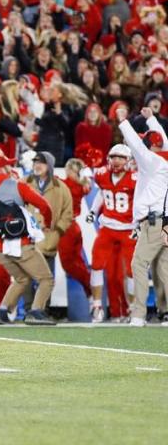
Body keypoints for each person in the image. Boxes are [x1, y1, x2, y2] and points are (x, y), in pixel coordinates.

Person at [0, 152, 57, 325]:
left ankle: (2, 312)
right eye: (8, 165)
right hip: (19, 243)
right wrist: (48, 223)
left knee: (22, 279)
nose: (11, 167)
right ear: (3, 169)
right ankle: (36, 312)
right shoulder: (16, 185)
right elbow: (44, 205)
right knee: (46, 279)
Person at [115, 107, 168, 326]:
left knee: (139, 263)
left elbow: (136, 146)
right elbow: (163, 139)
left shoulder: (153, 161)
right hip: (164, 221)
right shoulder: (164, 160)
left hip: (155, 222)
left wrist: (122, 121)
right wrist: (151, 119)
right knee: (162, 268)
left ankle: (138, 313)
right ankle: (165, 312)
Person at [87, 142, 136, 323]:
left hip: (128, 228)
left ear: (128, 160)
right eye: (114, 157)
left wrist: (139, 222)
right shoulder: (101, 175)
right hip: (107, 226)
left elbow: (140, 200)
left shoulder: (135, 178)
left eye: (121, 157)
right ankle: (97, 306)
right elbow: (102, 192)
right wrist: (93, 211)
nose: (116, 161)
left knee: (132, 270)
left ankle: (132, 309)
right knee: (97, 264)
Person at [25, 151, 73, 280]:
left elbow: (68, 213)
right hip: (27, 240)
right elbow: (13, 208)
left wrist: (57, 231)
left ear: (50, 166)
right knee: (26, 281)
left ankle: (45, 301)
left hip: (48, 240)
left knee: (46, 281)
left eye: (42, 162)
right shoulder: (23, 183)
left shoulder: (61, 187)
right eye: (35, 162)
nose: (37, 165)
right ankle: (30, 301)